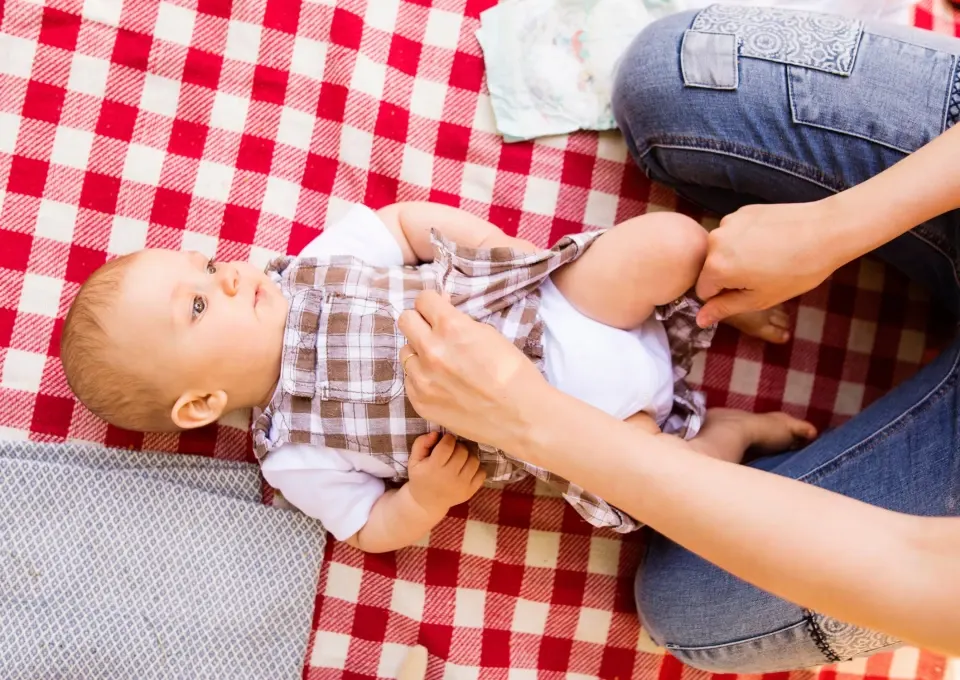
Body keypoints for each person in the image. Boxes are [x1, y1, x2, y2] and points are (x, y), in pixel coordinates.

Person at [395, 5, 960, 672]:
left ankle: (730, 427)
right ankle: (726, 285)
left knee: (692, 604)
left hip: (608, 424)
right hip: (602, 362)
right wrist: (836, 226)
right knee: (672, 77)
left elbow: (920, 567)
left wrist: (529, 419)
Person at [60, 200, 806, 554]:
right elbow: (368, 529)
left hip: (567, 307)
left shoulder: (314, 267)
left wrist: (495, 247)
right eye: (197, 304)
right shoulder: (294, 454)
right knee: (681, 488)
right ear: (201, 402)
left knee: (670, 242)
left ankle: (715, 294)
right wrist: (425, 497)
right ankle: (732, 433)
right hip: (593, 437)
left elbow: (403, 225)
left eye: (207, 265)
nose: (226, 277)